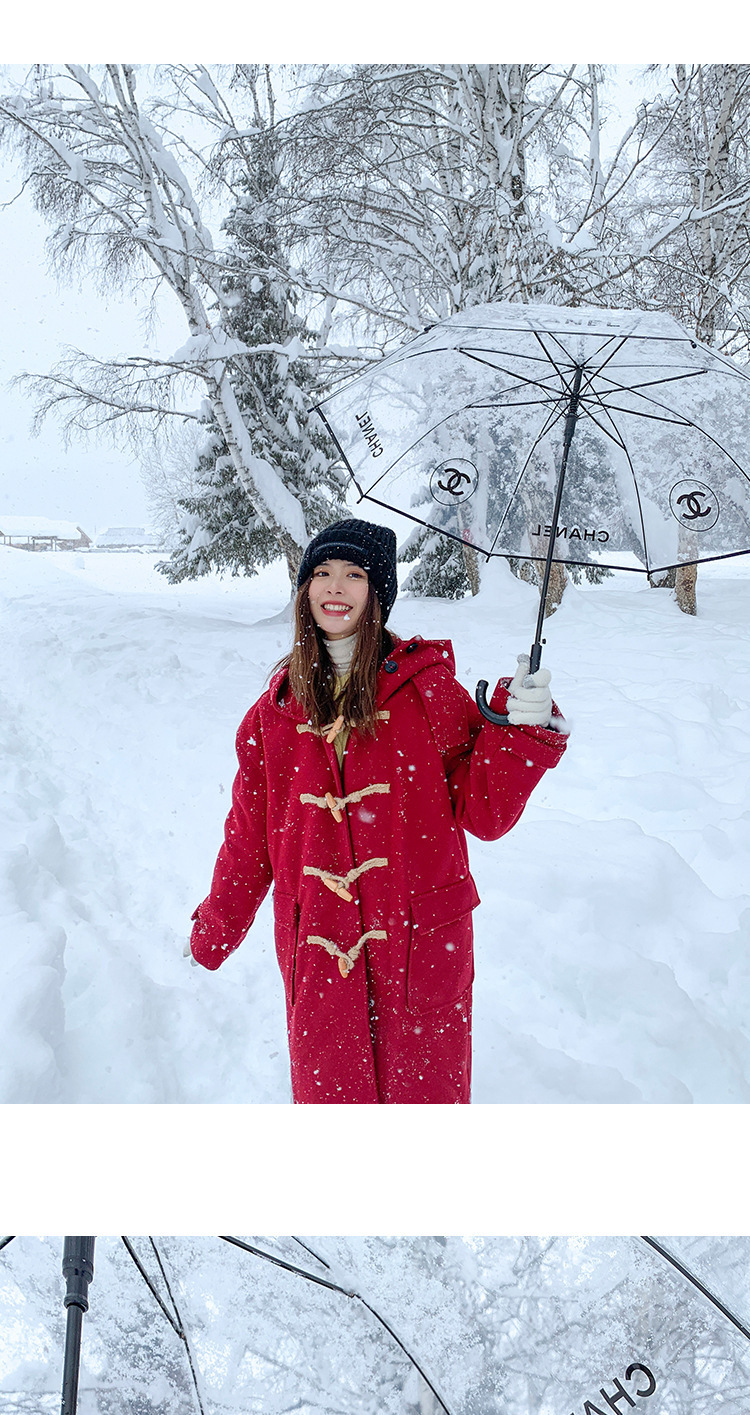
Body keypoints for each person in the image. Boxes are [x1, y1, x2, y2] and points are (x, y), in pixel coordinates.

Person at [188, 518, 567, 1104]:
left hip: (419, 943)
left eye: (354, 575)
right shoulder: (275, 713)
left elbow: (485, 812)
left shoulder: (428, 690)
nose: (335, 588)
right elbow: (248, 841)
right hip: (319, 944)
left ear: (378, 593)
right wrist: (215, 928)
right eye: (321, 573)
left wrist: (521, 729)